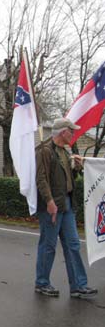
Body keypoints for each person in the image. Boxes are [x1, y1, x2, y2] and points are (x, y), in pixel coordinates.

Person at [35, 117, 97, 298]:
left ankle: (78, 285)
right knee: (48, 245)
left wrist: (76, 168)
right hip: (52, 206)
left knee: (73, 245)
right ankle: (42, 283)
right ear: (63, 132)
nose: (74, 134)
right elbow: (41, 179)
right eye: (72, 131)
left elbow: (68, 179)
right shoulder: (44, 151)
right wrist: (49, 202)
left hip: (67, 203)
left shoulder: (64, 151)